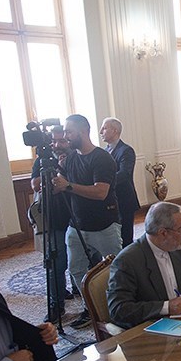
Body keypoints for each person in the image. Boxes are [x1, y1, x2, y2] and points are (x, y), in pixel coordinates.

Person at [107, 201, 181, 329]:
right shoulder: (127, 261)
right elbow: (118, 309)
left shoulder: (177, 247)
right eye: (180, 228)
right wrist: (166, 307)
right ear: (163, 233)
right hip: (150, 329)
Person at [53, 114, 122, 329]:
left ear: (83, 131)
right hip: (76, 225)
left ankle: (118, 306)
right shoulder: (71, 158)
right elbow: (61, 185)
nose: (66, 136)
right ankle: (91, 308)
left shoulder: (102, 158)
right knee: (76, 269)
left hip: (104, 225)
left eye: (69, 132)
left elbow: (101, 192)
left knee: (117, 268)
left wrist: (68, 186)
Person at [31, 125, 73, 322]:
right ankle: (56, 305)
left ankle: (85, 295)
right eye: (54, 141)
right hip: (55, 218)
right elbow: (36, 185)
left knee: (84, 261)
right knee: (56, 263)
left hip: (77, 217)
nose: (57, 145)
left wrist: (64, 169)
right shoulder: (43, 160)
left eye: (62, 141)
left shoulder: (77, 157)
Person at [100, 117, 140, 247]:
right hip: (109, 201)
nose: (101, 131)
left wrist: (104, 183)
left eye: (104, 128)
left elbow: (124, 174)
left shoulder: (126, 150)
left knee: (126, 237)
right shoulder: (104, 152)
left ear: (115, 130)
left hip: (124, 199)